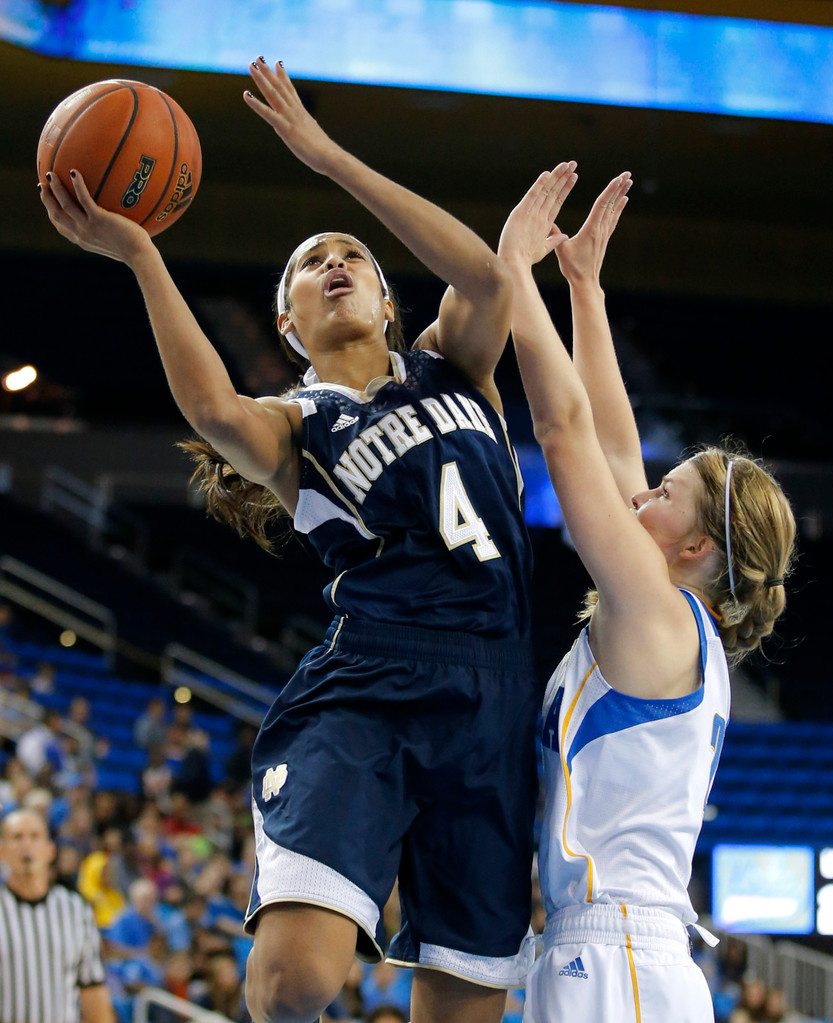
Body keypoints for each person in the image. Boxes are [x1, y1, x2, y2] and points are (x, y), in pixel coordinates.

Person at [40, 56, 537, 1023]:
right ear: (287, 319)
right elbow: (212, 407)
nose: (334, 263)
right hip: (373, 679)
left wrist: (326, 158)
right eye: (310, 262)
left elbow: (484, 272)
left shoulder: (455, 367)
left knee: (463, 1008)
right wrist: (144, 255)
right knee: (293, 984)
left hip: (496, 691)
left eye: (351, 254)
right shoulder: (295, 422)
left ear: (392, 302)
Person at [497, 163, 795, 1023]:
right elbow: (615, 449)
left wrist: (515, 277)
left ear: (695, 547)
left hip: (617, 955)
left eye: (665, 495)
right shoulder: (667, 619)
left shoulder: (660, 617)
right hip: (616, 953)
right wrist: (583, 290)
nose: (642, 494)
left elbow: (564, 433)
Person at [0, 807, 115, 1023]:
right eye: (17, 837)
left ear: (50, 850)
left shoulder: (75, 909)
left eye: (35, 836)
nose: (27, 845)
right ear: (2, 851)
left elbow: (93, 989)